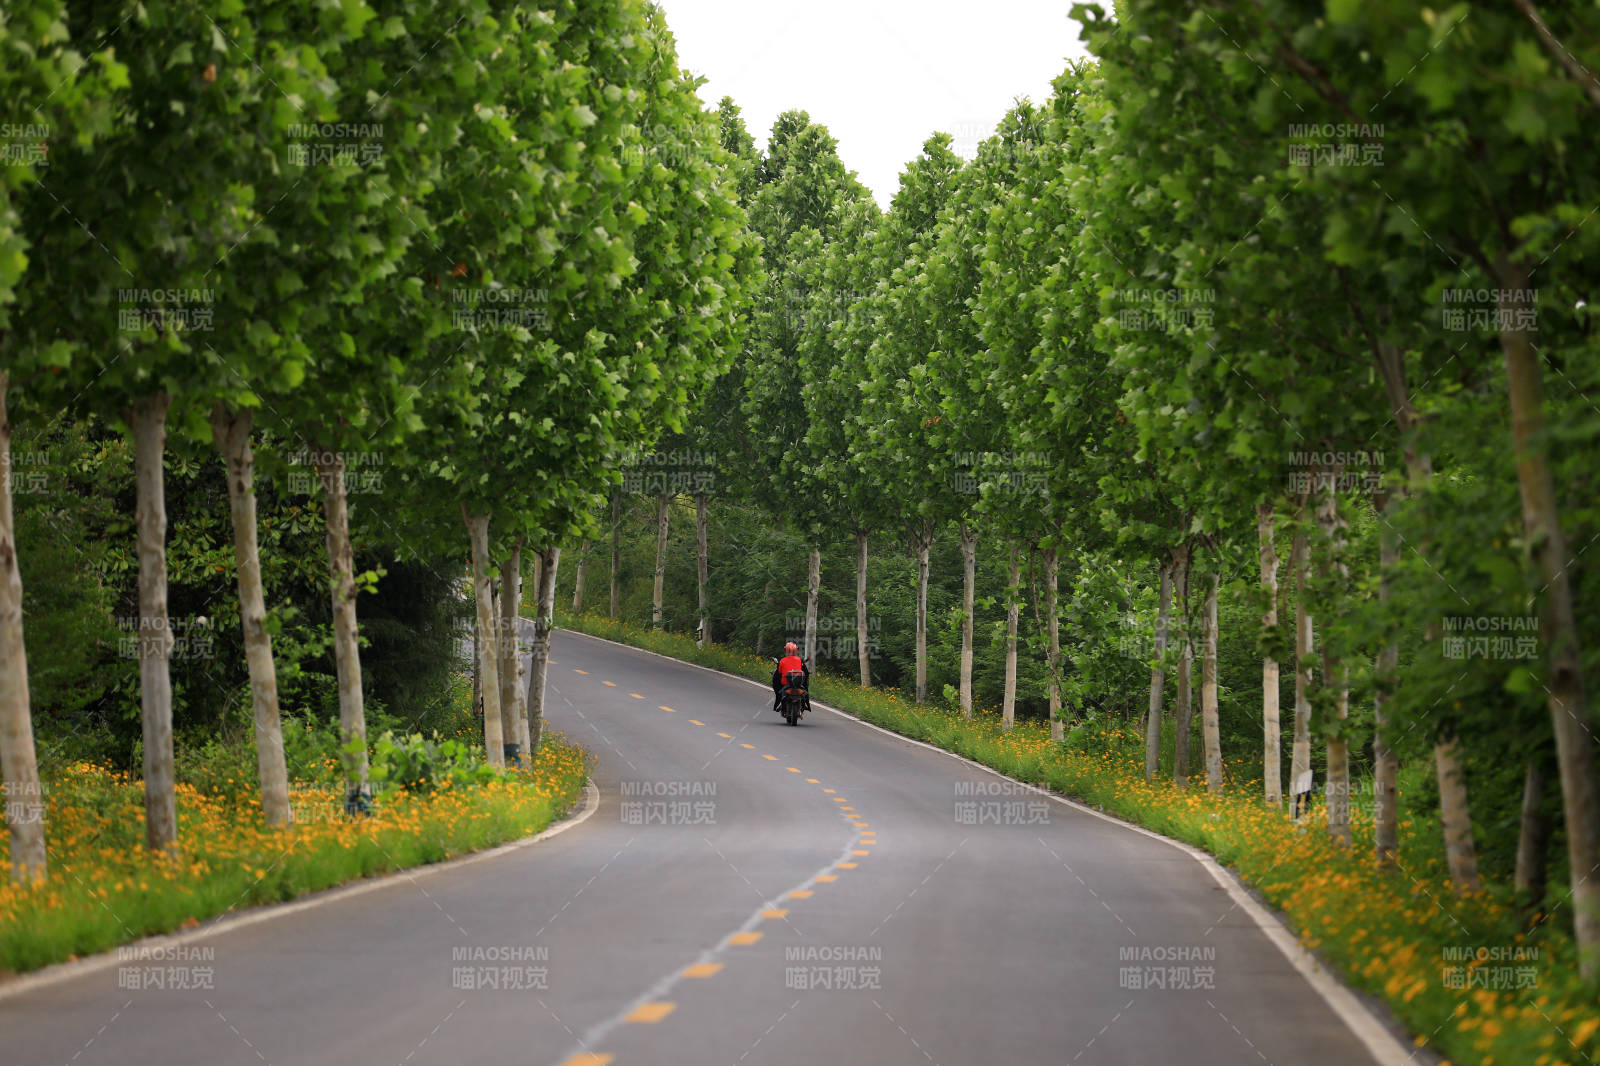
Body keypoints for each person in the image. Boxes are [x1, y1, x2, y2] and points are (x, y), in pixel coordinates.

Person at [772, 641, 809, 713]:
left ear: (786, 651)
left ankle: (779, 703)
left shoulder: (782, 660)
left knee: (778, 690)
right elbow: (804, 672)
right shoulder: (799, 660)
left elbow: (779, 672)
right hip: (798, 683)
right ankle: (805, 704)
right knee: (805, 691)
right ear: (796, 650)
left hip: (785, 683)